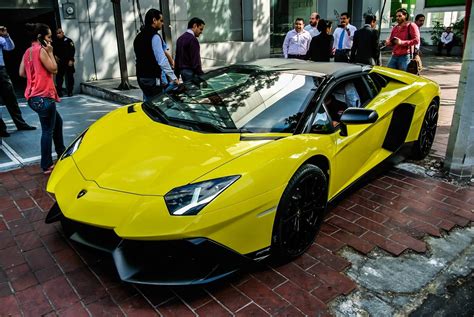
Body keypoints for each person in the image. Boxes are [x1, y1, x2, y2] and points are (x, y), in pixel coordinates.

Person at [19, 23, 65, 175]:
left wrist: (35, 74)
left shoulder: (28, 51)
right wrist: (50, 53)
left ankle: (61, 152)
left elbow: (22, 73)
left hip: (33, 97)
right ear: (41, 38)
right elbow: (54, 68)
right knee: (47, 130)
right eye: (49, 37)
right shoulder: (42, 50)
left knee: (57, 122)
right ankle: (46, 164)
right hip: (44, 96)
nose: (50, 40)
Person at [133, 9, 178, 100]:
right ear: (154, 20)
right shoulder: (155, 37)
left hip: (141, 77)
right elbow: (161, 60)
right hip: (152, 77)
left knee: (147, 101)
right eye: (161, 20)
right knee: (157, 103)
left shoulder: (138, 37)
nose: (162, 23)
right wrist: (173, 77)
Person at [0, 25, 36, 137]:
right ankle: (1, 129)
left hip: (1, 71)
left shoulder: (0, 38)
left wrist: (6, 35)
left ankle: (21, 124)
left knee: (11, 98)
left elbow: (10, 47)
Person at [174, 17, 205, 82]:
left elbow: (177, 59)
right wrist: (202, 75)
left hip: (182, 73)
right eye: (201, 29)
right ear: (195, 26)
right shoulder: (193, 40)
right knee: (195, 91)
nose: (201, 32)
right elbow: (195, 61)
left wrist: (176, 75)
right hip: (191, 73)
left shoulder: (180, 39)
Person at [52, 28, 75, 97]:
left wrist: (71, 60)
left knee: (70, 77)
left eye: (60, 33)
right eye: (57, 33)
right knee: (59, 78)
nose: (58, 34)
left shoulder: (68, 40)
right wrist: (54, 56)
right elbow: (52, 51)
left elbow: (72, 50)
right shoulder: (55, 42)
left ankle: (70, 91)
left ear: (63, 33)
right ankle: (59, 92)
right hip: (60, 62)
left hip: (68, 62)